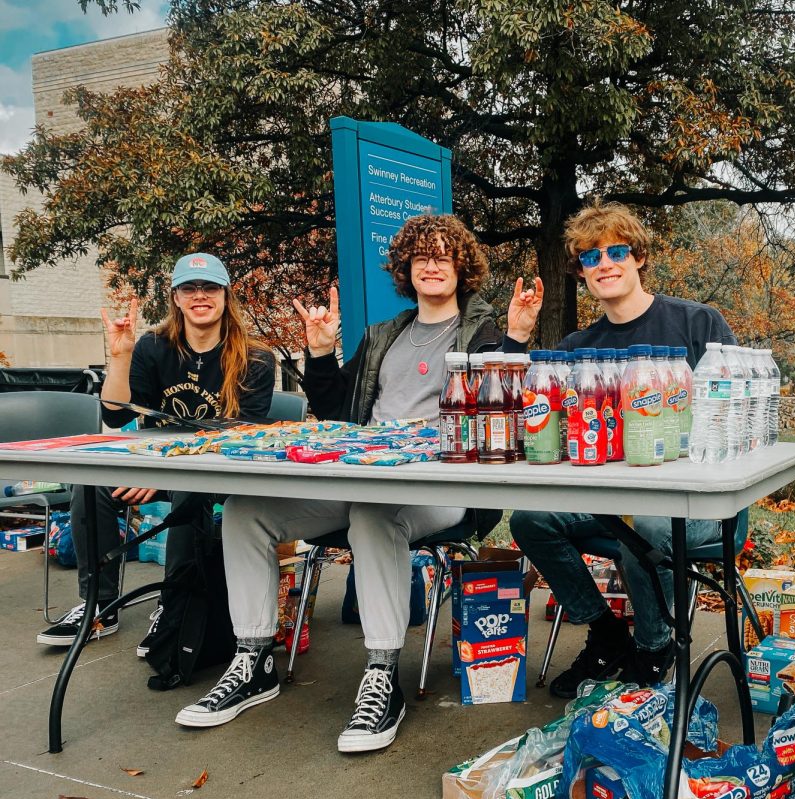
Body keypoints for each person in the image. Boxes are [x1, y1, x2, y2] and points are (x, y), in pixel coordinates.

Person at [175, 214, 543, 753]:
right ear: (406, 270)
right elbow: (335, 411)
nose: (433, 264)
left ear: (462, 266)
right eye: (422, 257)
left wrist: (517, 338)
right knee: (244, 510)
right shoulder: (383, 336)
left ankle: (381, 677)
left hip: (441, 487)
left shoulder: (485, 328)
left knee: (375, 516)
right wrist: (321, 352)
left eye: (444, 255)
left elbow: (508, 406)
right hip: (364, 475)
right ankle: (253, 660)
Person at [509, 202, 737, 699]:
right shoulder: (577, 349)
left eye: (616, 251)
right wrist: (517, 337)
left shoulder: (697, 324)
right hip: (611, 505)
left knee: (652, 521)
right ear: (581, 271)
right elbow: (528, 415)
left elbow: (737, 413)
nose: (605, 263)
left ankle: (654, 649)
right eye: (591, 257)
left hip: (696, 505)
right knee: (529, 519)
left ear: (638, 258)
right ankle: (606, 633)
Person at [38, 253, 276, 648]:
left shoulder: (256, 358)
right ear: (176, 298)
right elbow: (116, 417)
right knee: (91, 483)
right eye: (190, 288)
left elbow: (239, 439)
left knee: (188, 493)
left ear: (226, 295)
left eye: (210, 287)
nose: (200, 295)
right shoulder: (152, 346)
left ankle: (174, 607)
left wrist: (161, 472)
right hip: (157, 465)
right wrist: (119, 358)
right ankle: (100, 605)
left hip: (217, 473)